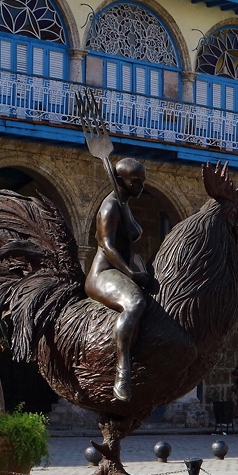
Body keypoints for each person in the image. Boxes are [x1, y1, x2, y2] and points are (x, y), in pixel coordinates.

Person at [84, 156, 154, 401]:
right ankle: (121, 373)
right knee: (135, 303)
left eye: (142, 182)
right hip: (103, 273)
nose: (141, 187)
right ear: (121, 181)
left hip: (122, 269)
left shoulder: (125, 203)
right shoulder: (111, 205)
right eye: (136, 182)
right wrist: (131, 273)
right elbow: (106, 246)